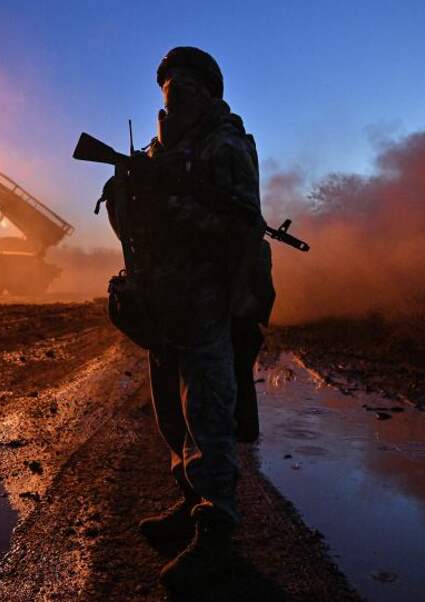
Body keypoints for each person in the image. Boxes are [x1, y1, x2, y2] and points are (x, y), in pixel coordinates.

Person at [105, 47, 271, 589]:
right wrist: (125, 194)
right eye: (168, 83)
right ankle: (189, 500)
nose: (174, 91)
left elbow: (243, 226)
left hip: (206, 298)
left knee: (207, 413)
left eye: (185, 83)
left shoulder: (225, 144)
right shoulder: (158, 151)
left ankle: (215, 530)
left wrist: (175, 207)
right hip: (162, 300)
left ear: (208, 90)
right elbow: (134, 225)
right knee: (170, 415)